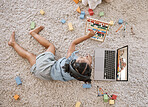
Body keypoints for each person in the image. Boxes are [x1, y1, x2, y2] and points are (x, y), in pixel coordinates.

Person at [8, 26, 96, 83]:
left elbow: (73, 43)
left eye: (81, 57)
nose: (85, 56)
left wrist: (88, 36)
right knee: (29, 56)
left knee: (50, 46)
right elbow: (84, 72)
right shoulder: (78, 75)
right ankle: (13, 43)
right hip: (43, 74)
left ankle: (33, 33)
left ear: (73, 61)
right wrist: (88, 63)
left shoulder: (69, 59)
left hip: (46, 65)